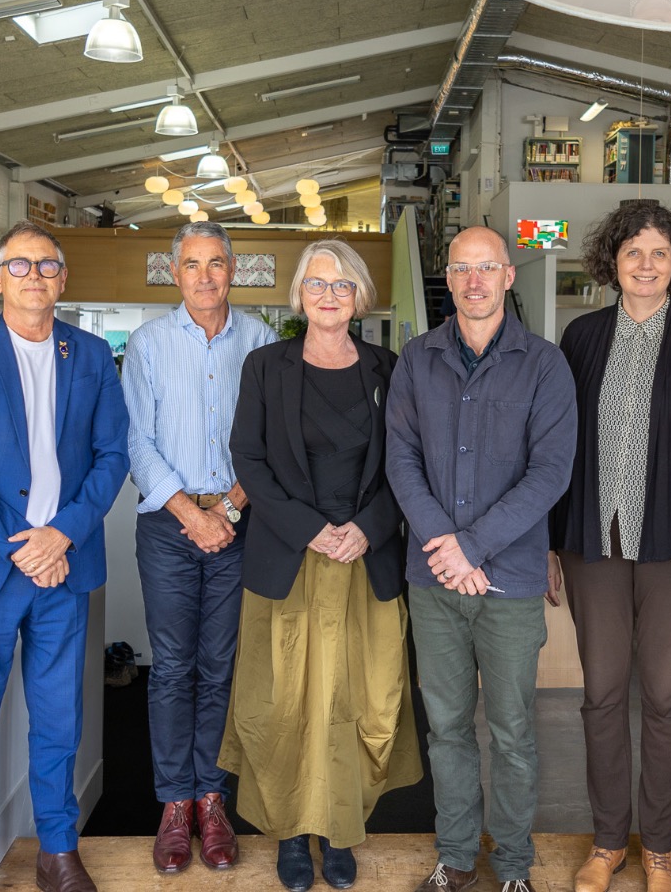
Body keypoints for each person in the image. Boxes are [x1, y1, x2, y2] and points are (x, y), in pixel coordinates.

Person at [0, 221, 131, 892]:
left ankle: (58, 850)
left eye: (47, 266)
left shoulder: (93, 355)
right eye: (20, 265)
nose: (34, 276)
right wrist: (25, 545)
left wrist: (62, 534)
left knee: (60, 720)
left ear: (63, 280)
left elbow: (112, 457)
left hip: (63, 570)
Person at [552, 200, 671, 892]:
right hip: (593, 546)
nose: (645, 264)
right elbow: (559, 450)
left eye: (659, 253)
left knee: (665, 697)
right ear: (613, 261)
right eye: (633, 252)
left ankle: (658, 847)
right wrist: (552, 544)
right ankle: (607, 843)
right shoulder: (582, 337)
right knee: (602, 696)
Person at [221, 240, 423, 892]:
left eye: (342, 284)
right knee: (282, 703)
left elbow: (410, 465)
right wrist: (311, 530)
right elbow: (248, 460)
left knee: (355, 702)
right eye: (317, 283)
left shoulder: (389, 370)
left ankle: (339, 830)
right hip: (288, 557)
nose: (329, 294)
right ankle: (287, 834)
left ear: (360, 295)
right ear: (300, 294)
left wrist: (367, 528)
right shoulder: (264, 366)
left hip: (366, 564)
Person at [385, 225, 578, 892]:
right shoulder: (416, 358)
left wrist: (472, 546)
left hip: (510, 581)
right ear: (449, 276)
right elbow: (401, 462)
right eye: (462, 269)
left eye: (486, 268)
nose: (474, 281)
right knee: (446, 729)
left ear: (508, 276)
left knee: (514, 731)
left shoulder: (544, 364)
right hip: (434, 580)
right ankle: (457, 855)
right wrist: (447, 548)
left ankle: (516, 865)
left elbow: (550, 473)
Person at [121, 221, 276, 873]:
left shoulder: (263, 341)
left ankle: (211, 797)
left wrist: (232, 506)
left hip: (239, 520)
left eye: (217, 263)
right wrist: (191, 513)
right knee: (173, 668)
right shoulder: (149, 344)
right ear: (174, 272)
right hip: (170, 526)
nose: (206, 275)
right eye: (193, 264)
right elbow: (136, 441)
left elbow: (275, 439)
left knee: (220, 667)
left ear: (232, 270)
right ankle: (172, 804)